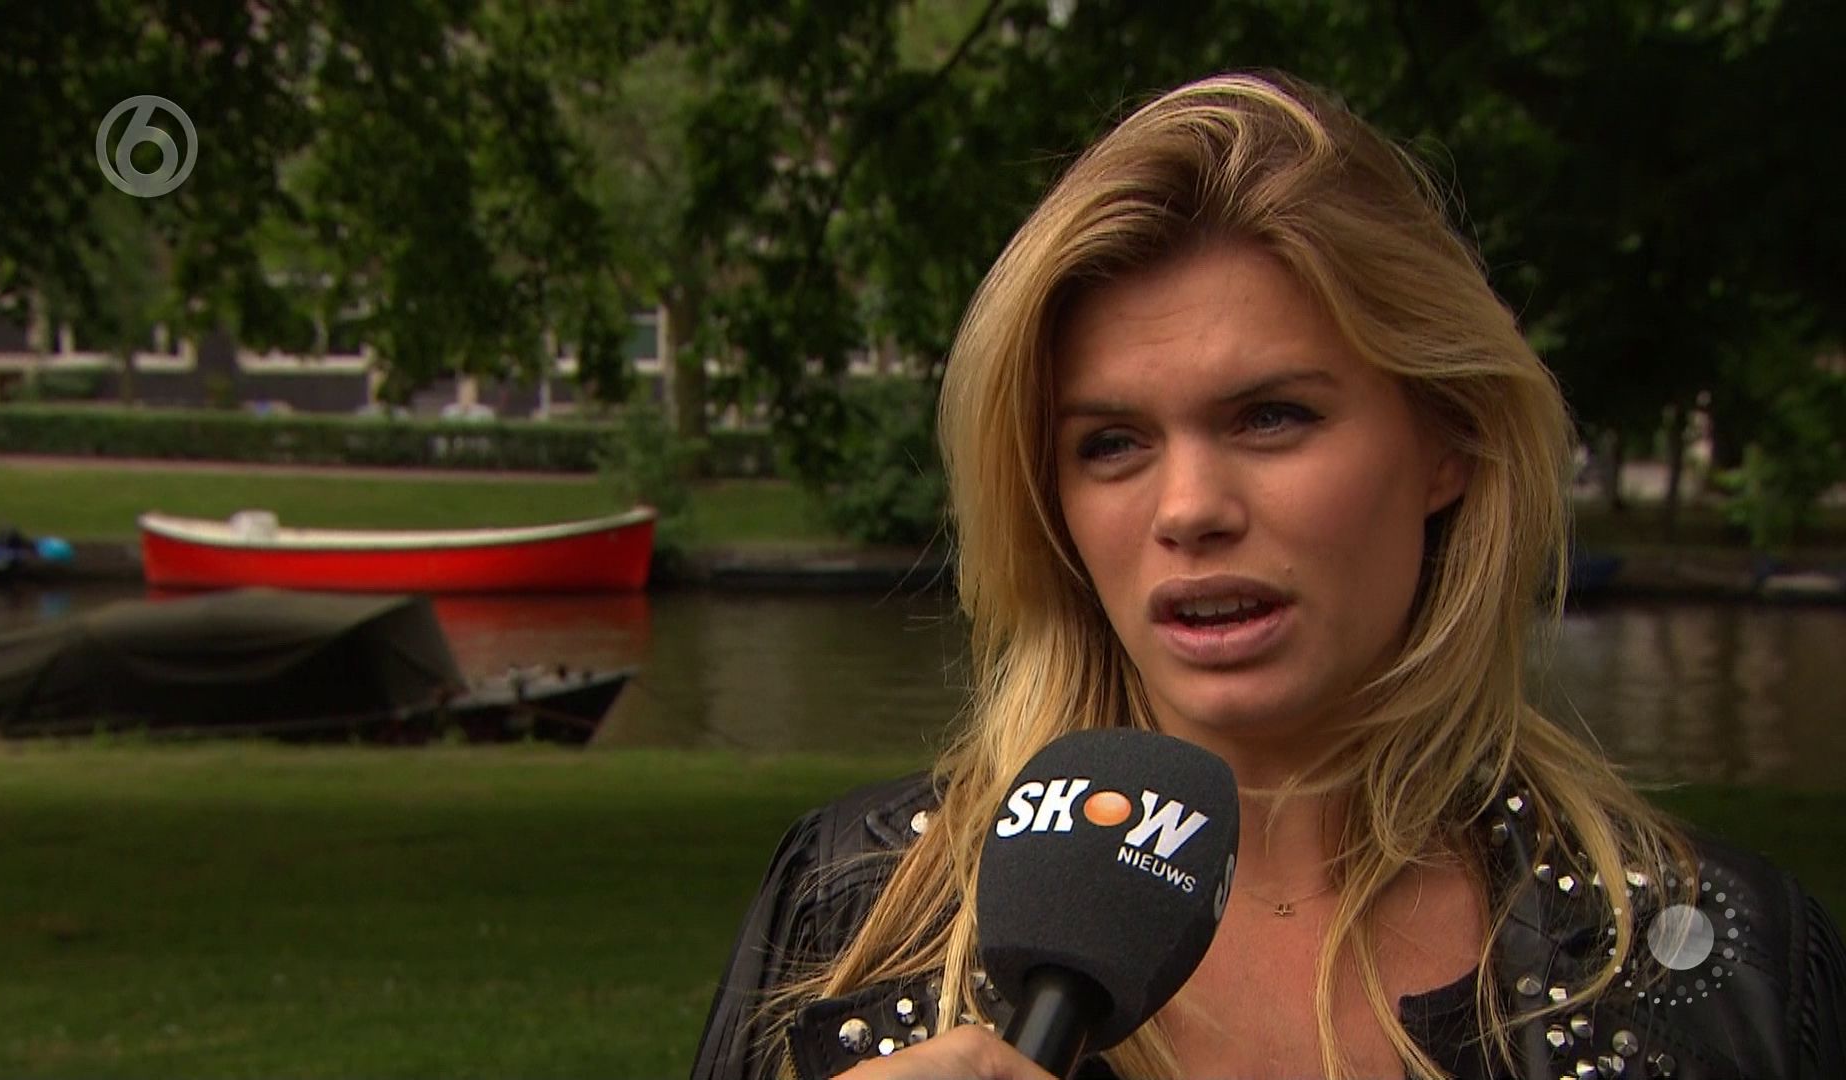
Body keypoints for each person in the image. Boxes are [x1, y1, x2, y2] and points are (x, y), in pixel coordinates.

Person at [689, 71, 1845, 1080]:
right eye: (1111, 442)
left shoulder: (1720, 966)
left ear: (1450, 442)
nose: (1190, 509)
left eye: (1272, 416)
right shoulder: (854, 911)